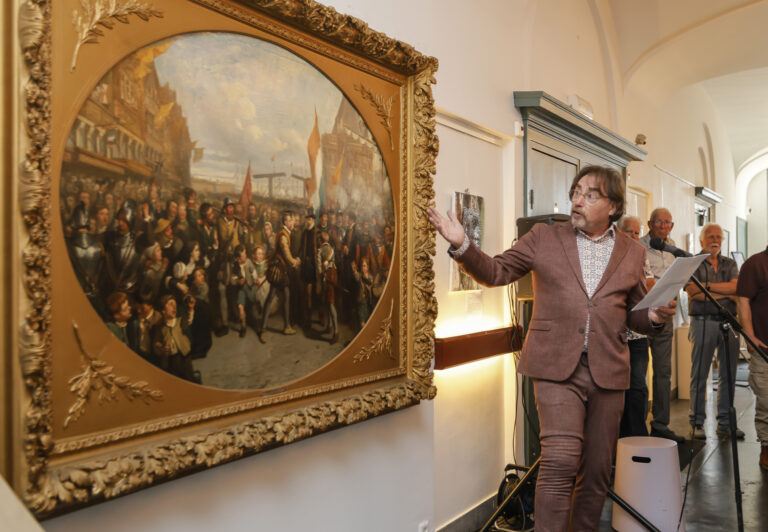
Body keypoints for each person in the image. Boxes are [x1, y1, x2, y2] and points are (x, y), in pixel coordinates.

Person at [428, 165, 676, 531]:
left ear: (612, 206)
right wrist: (462, 244)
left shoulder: (632, 252)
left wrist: (655, 315)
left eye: (590, 195)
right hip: (555, 368)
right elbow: (496, 272)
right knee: (559, 461)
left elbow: (636, 316)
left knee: (595, 472)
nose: (578, 200)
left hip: (609, 371)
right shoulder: (543, 238)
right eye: (576, 191)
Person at [685, 223, 743, 440]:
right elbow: (693, 293)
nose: (714, 240)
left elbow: (737, 288)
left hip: (728, 322)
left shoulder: (730, 263)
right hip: (702, 322)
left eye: (718, 236)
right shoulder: (693, 263)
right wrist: (725, 291)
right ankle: (696, 423)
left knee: (729, 375)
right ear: (701, 241)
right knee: (699, 374)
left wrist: (707, 288)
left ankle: (726, 424)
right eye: (710, 236)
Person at [639, 207, 684, 442]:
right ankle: (637, 425)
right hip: (642, 317)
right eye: (659, 222)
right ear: (650, 223)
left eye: (667, 222)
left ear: (672, 226)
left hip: (665, 318)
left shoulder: (673, 249)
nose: (663, 226)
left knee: (663, 373)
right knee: (638, 374)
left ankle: (660, 424)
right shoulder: (639, 246)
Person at [616, 215, 654, 438]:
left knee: (638, 388)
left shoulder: (641, 255)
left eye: (637, 233)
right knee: (618, 390)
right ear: (618, 231)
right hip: (615, 336)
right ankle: (620, 441)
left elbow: (648, 284)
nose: (634, 236)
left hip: (638, 335)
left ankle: (639, 438)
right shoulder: (610, 255)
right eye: (630, 232)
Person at [737, 245, 768, 469]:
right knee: (767, 402)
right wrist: (749, 336)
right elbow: (743, 300)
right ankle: (766, 447)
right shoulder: (756, 264)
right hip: (764, 349)